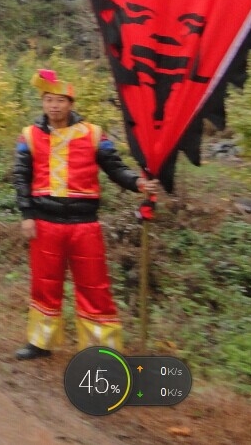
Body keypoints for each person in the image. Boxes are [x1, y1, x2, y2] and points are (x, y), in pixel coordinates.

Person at [13, 69, 159, 360]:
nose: (54, 106)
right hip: (45, 221)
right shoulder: (28, 136)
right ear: (43, 103)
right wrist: (26, 213)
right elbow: (21, 176)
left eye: (60, 100)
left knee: (95, 285)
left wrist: (138, 182)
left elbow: (115, 167)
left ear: (70, 103)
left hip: (84, 224)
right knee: (45, 283)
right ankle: (41, 343)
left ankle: (101, 350)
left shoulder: (93, 134)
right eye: (49, 100)